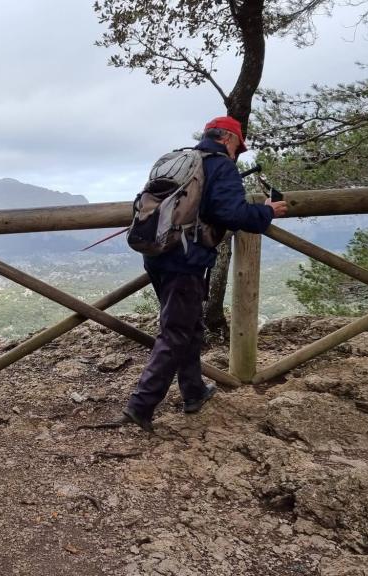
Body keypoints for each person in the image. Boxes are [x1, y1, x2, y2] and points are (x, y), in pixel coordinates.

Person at [122, 116, 288, 431]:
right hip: (185, 260)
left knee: (189, 326)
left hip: (156, 253)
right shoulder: (220, 166)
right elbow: (233, 213)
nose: (238, 153)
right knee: (176, 333)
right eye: (239, 146)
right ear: (228, 139)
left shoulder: (178, 159)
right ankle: (139, 407)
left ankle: (193, 391)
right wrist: (268, 211)